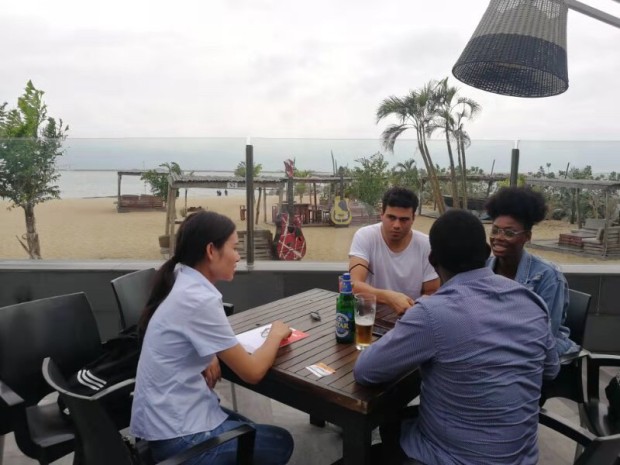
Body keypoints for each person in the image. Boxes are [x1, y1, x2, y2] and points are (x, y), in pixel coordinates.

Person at [354, 210, 559, 465]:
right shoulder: (532, 301)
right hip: (522, 459)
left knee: (369, 445)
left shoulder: (431, 313)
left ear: (432, 259)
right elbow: (551, 369)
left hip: (451, 457)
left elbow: (366, 371)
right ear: (486, 252)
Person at [131, 211, 294, 465]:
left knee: (249, 427)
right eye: (234, 247)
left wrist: (209, 353)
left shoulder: (180, 277)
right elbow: (252, 372)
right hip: (179, 439)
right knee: (280, 441)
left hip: (160, 425)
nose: (238, 256)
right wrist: (276, 333)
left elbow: (184, 333)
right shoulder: (199, 299)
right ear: (210, 250)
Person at [484, 186, 579, 356]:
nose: (498, 237)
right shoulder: (483, 269)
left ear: (527, 237)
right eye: (495, 230)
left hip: (541, 349)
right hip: (496, 345)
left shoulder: (547, 276)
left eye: (509, 233)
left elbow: (545, 334)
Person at [348, 187, 439, 315]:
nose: (396, 225)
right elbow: (353, 285)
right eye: (391, 217)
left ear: (413, 218)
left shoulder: (426, 245)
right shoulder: (365, 236)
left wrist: (413, 311)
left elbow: (432, 293)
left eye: (404, 219)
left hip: (410, 319)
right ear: (381, 214)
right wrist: (389, 298)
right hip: (369, 319)